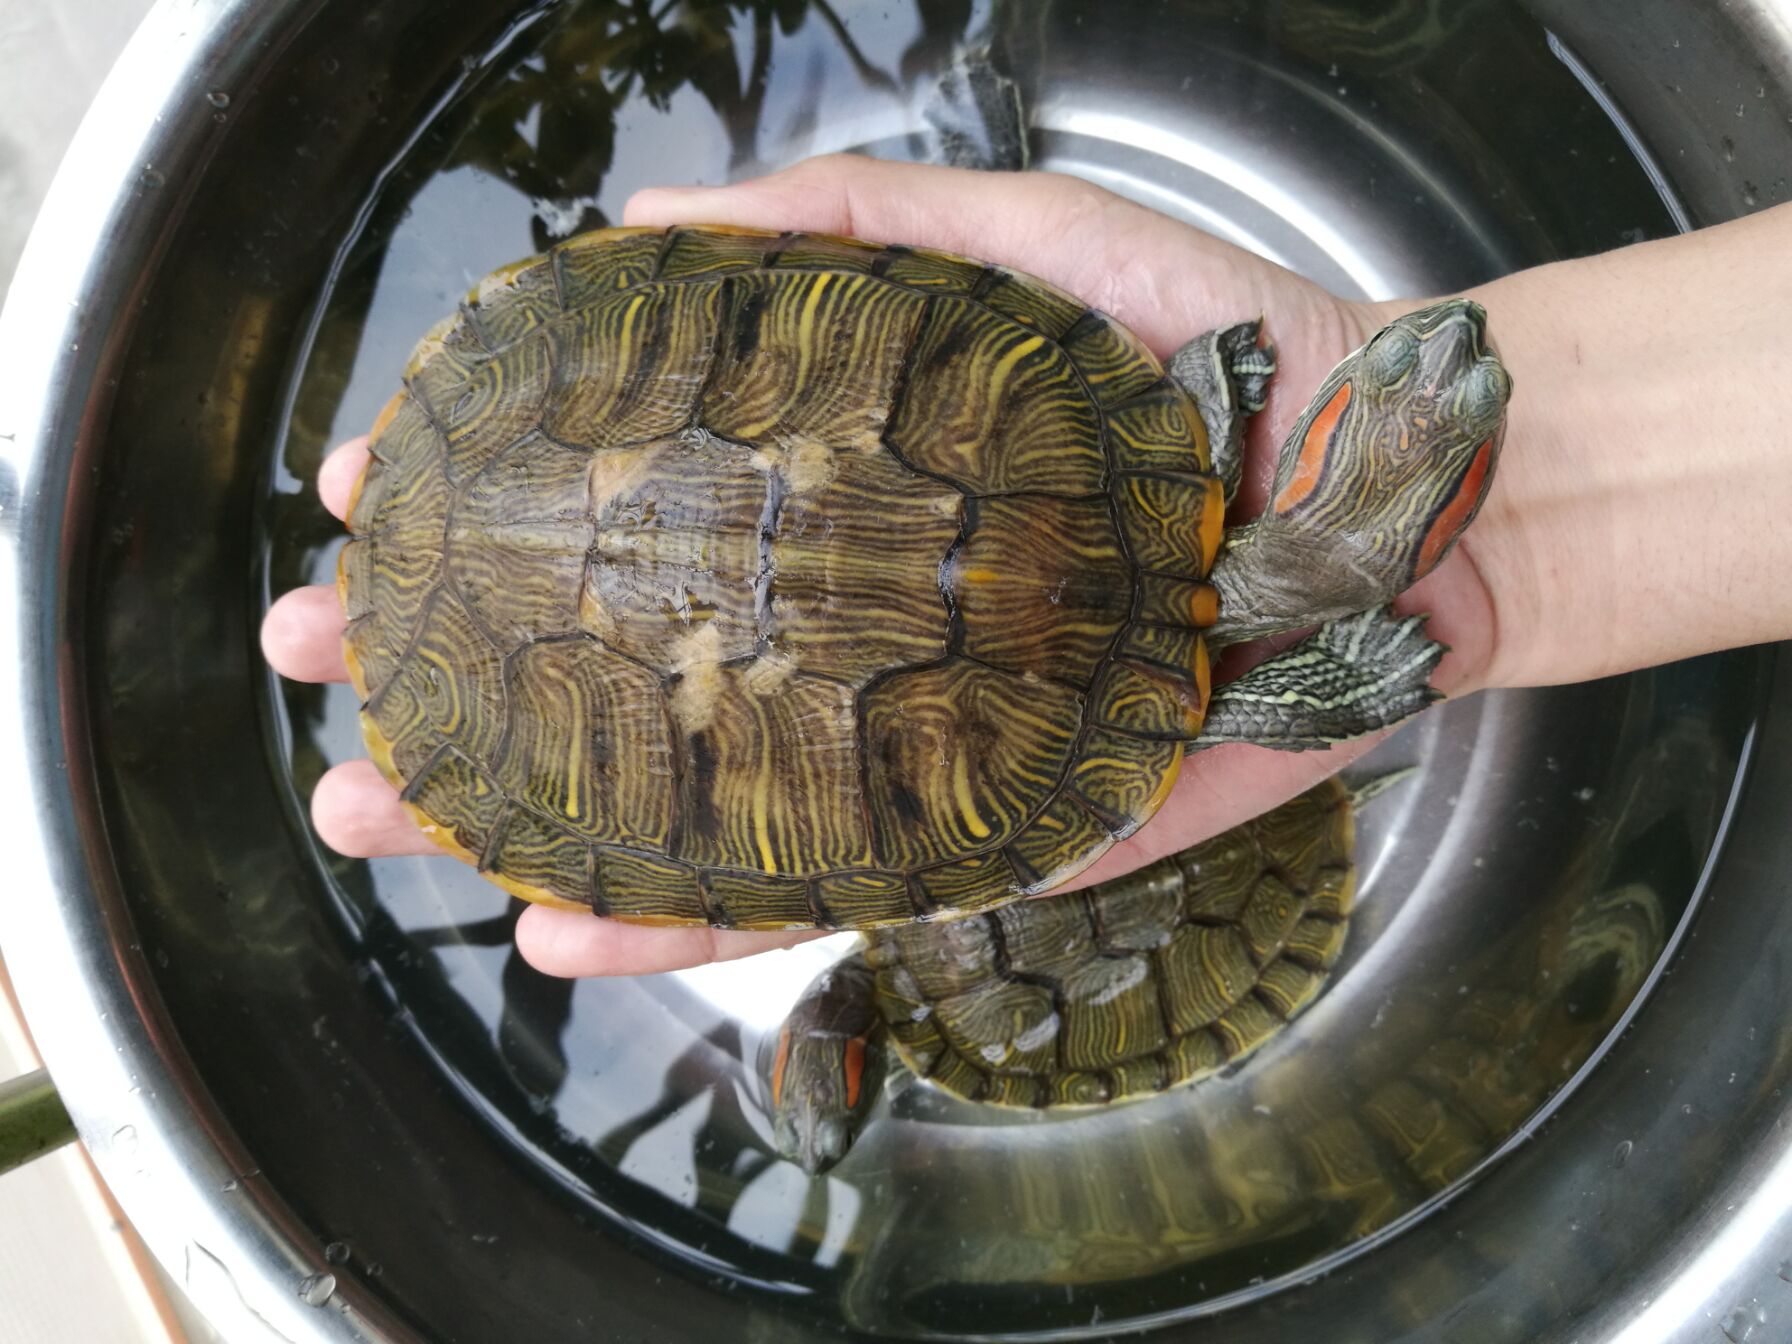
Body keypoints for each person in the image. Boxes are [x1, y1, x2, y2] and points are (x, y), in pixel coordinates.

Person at [261, 154, 1792, 979]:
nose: (1453, 341)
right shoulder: (1163, 462)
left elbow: (1236, 635)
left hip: (526, 422)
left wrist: (1244, 446)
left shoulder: (1154, 430)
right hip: (536, 505)